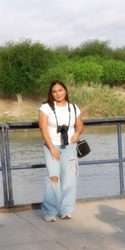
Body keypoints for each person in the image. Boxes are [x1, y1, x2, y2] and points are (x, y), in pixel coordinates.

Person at [38, 80, 84, 222]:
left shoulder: (74, 108)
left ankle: (65, 209)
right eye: (54, 91)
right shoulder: (45, 108)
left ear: (65, 91)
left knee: (69, 179)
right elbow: (43, 129)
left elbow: (80, 124)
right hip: (52, 146)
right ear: (51, 94)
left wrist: (77, 134)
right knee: (53, 177)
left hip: (69, 146)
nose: (58, 93)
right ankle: (50, 211)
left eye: (60, 90)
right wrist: (51, 147)